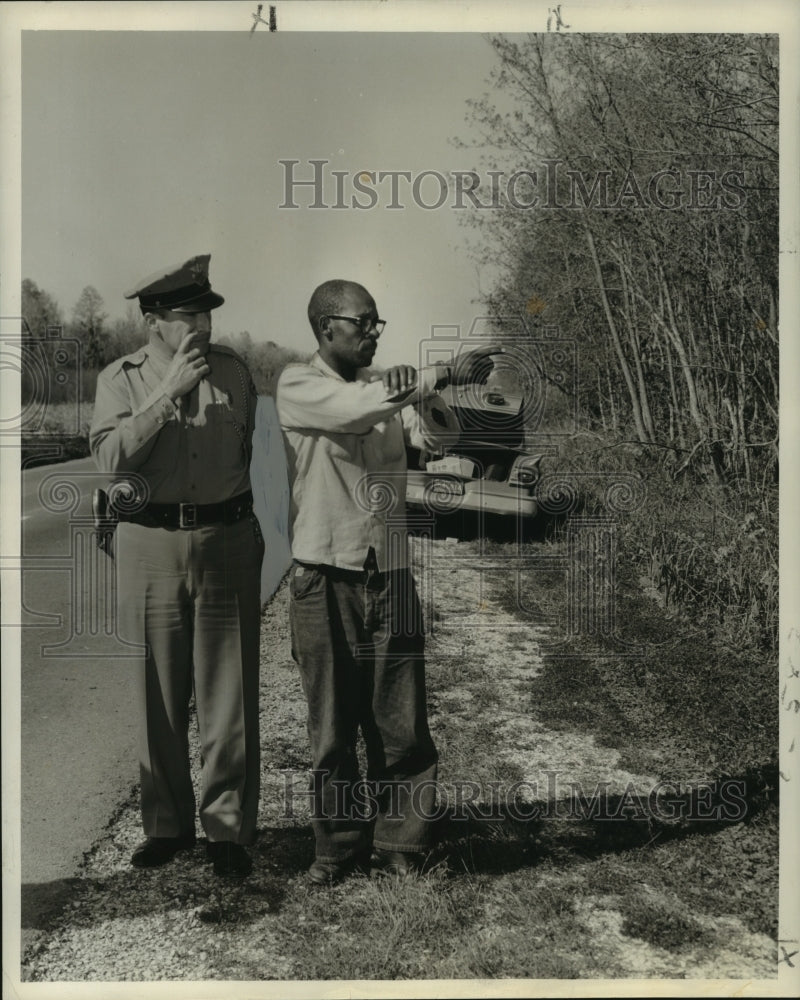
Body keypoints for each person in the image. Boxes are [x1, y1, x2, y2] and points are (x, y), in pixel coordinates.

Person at [276, 278, 499, 885]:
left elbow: (446, 440)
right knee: (331, 730)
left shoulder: (382, 394)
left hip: (391, 574)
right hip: (324, 578)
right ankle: (337, 849)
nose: (375, 332)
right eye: (364, 322)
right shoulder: (299, 385)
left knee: (401, 723)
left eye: (379, 322)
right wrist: (431, 375)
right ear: (328, 329)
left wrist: (427, 395)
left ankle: (403, 844)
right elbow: (354, 413)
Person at [89, 255, 263, 879]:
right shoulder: (121, 378)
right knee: (155, 690)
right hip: (149, 541)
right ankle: (166, 825)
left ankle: (227, 830)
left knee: (230, 690)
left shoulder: (237, 375)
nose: (204, 327)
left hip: (227, 538)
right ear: (154, 322)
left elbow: (243, 450)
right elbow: (110, 464)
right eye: (190, 315)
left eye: (208, 314)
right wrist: (167, 398)